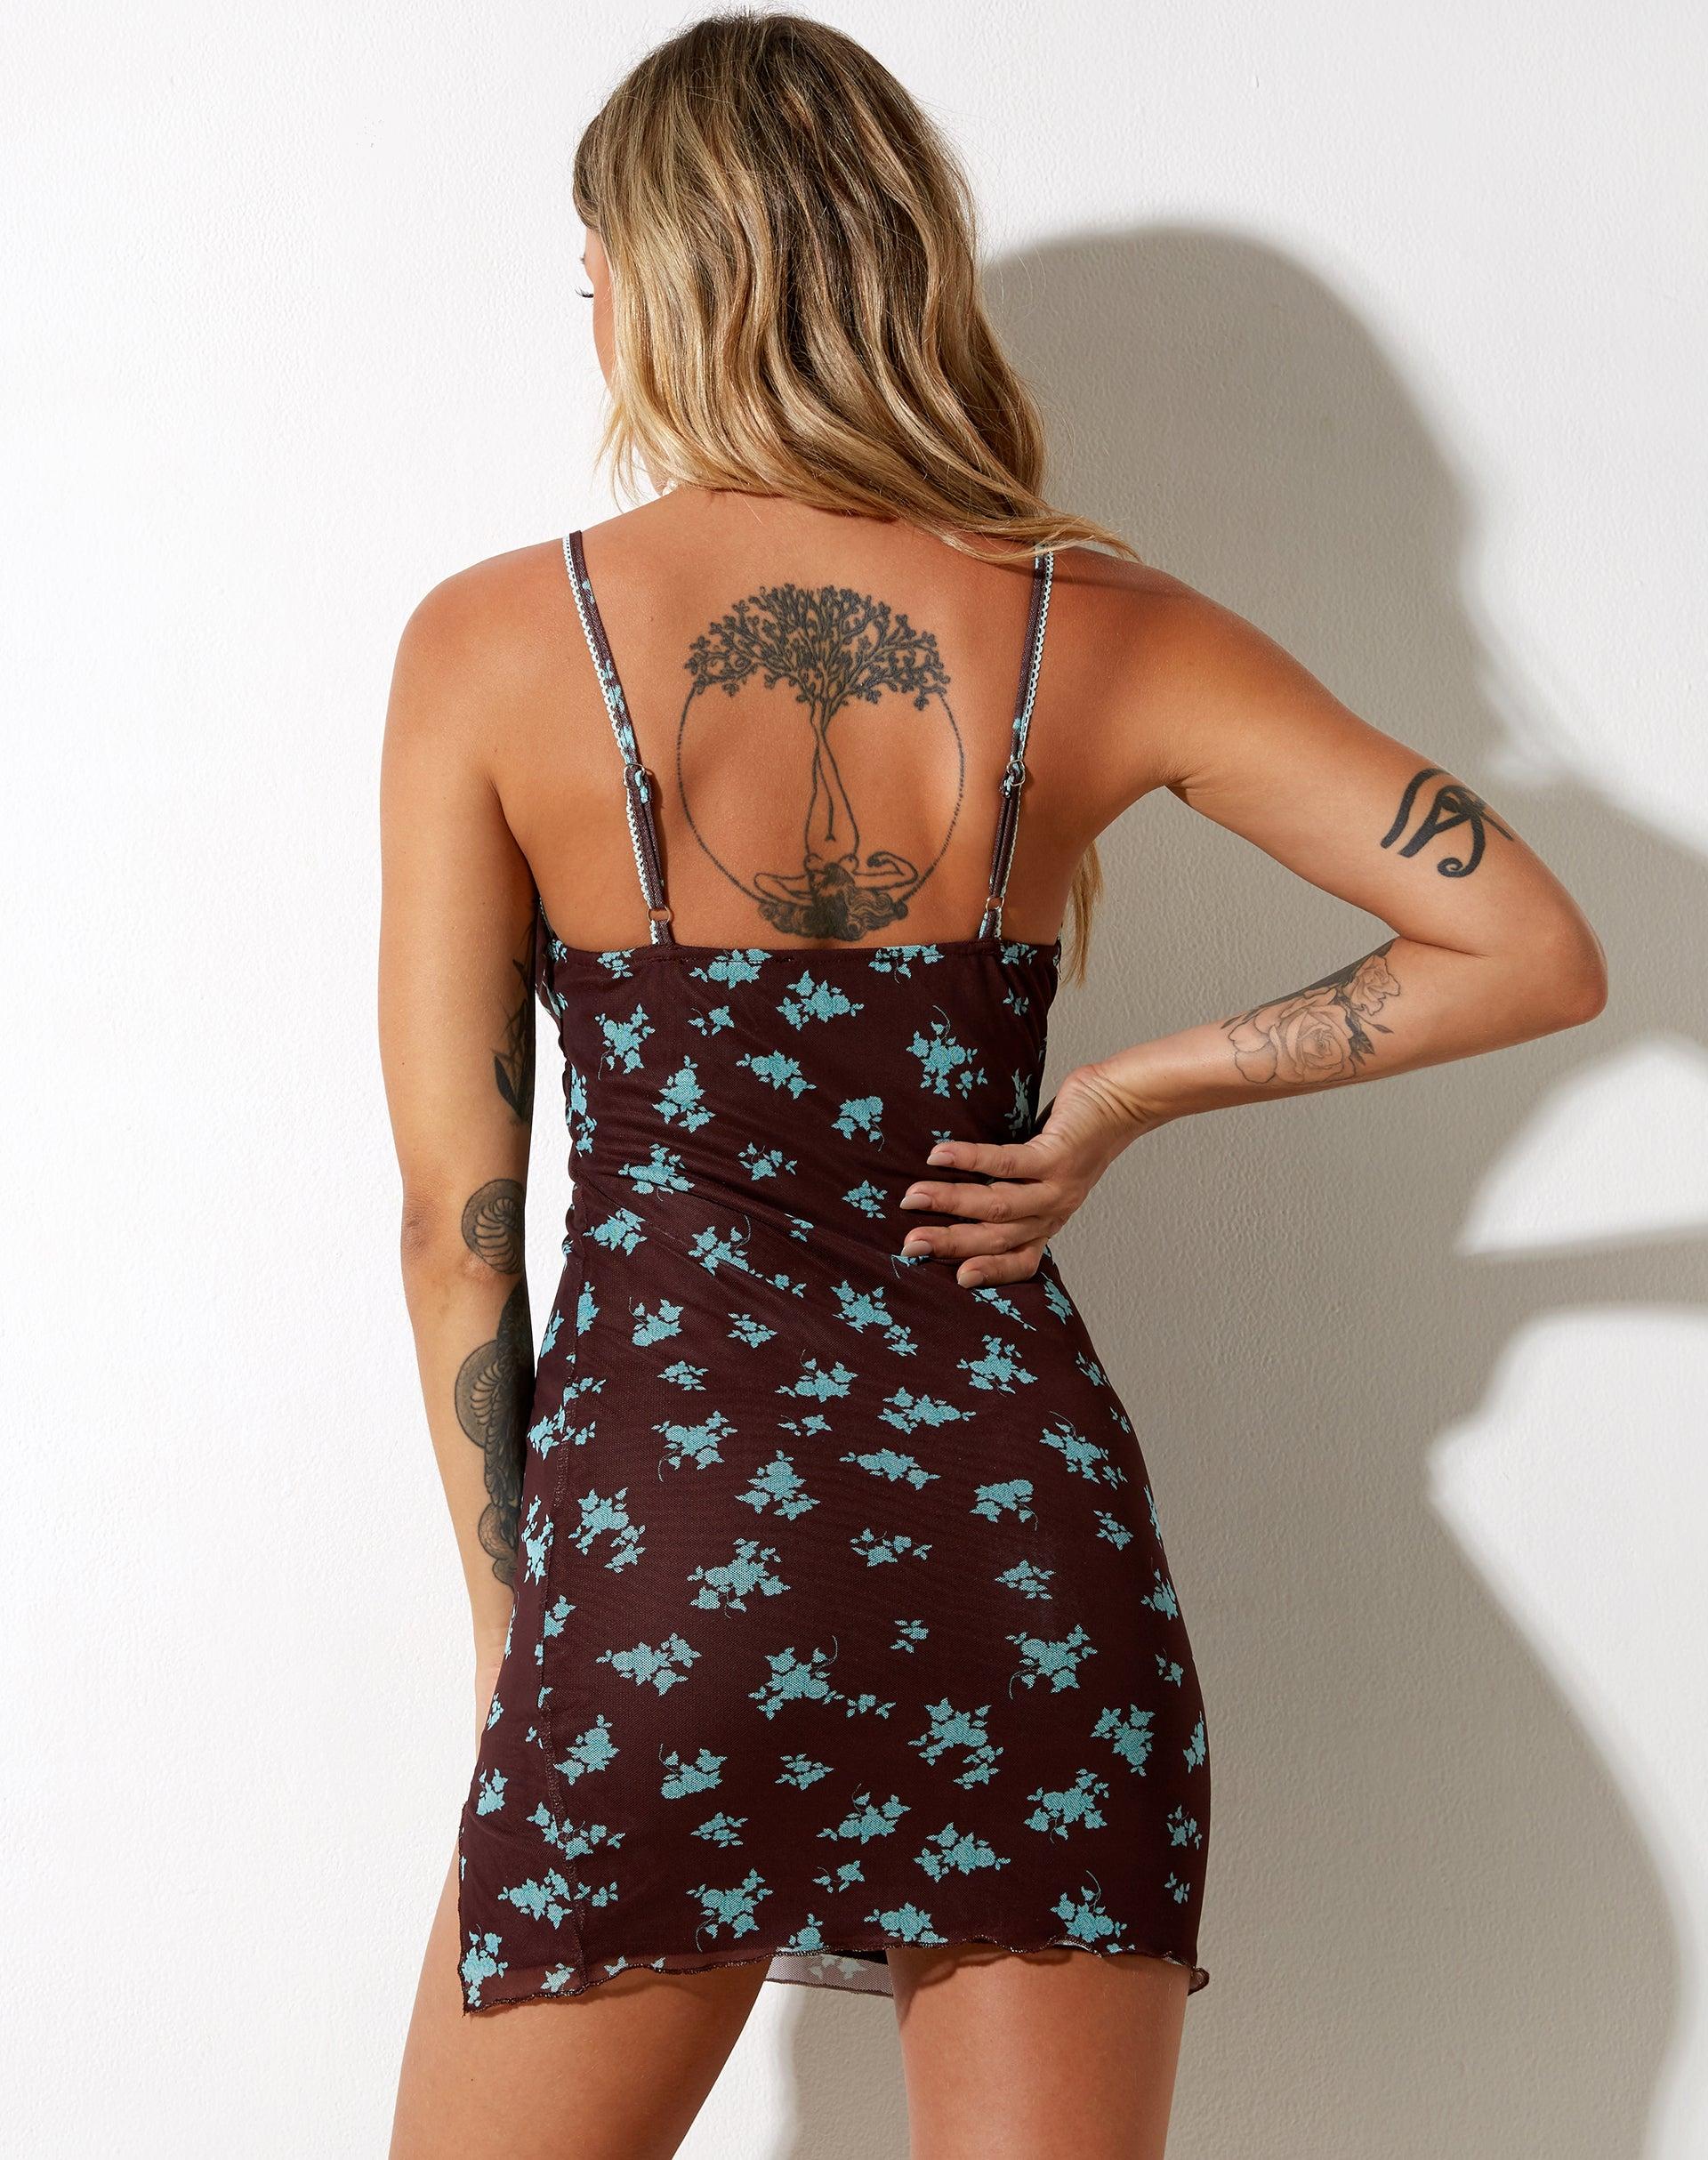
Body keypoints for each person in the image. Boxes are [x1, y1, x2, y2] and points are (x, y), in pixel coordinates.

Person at [379, 15, 1607, 2158]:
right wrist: (1117, 1094)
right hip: (1019, 1562)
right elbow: (1529, 940)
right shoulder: (1092, 623)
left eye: (592, 267)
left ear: (666, 277)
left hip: (666, 1553)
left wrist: (523, 1630)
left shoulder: (497, 643)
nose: (587, 312)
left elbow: (449, 1225)